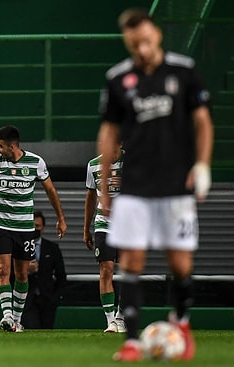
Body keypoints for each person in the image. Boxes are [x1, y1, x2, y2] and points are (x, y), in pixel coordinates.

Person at [97, 8, 214, 361]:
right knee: (131, 259)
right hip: (134, 186)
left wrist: (203, 165)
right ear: (127, 43)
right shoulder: (118, 78)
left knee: (179, 263)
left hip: (176, 184)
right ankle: (132, 341)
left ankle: (181, 322)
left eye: (146, 42)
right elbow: (108, 132)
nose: (142, 51)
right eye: (135, 46)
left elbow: (203, 121)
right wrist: (104, 184)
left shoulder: (184, 70)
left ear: (157, 35)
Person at [0, 125, 67, 332]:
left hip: (24, 226)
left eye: (0, 146)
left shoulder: (35, 162)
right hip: (0, 223)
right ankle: (7, 315)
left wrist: (61, 218)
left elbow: (51, 190)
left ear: (12, 146)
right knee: (3, 270)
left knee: (22, 274)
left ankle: (17, 320)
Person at [83, 143, 126, 333]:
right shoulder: (93, 165)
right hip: (103, 223)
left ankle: (121, 318)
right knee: (106, 269)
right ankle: (110, 321)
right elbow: (90, 197)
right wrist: (86, 228)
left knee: (127, 273)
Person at [21, 210, 67, 329]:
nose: (34, 229)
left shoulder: (52, 248)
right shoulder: (19, 247)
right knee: (32, 327)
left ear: (43, 228)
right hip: (27, 299)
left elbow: (61, 275)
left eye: (37, 226)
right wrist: (26, 269)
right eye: (32, 226)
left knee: (47, 330)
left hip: (47, 300)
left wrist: (56, 297)